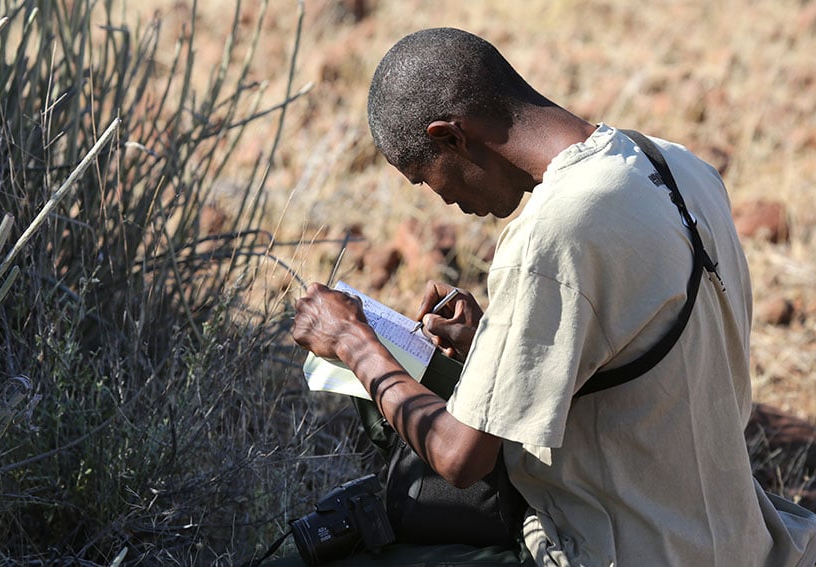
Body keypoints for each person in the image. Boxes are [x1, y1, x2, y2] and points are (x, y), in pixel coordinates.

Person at [292, 27, 816, 565]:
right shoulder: (674, 165)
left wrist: (353, 342)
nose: (443, 198)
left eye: (426, 179)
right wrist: (495, 342)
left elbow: (458, 456)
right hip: (730, 537)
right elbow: (640, 347)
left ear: (451, 136)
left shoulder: (550, 234)